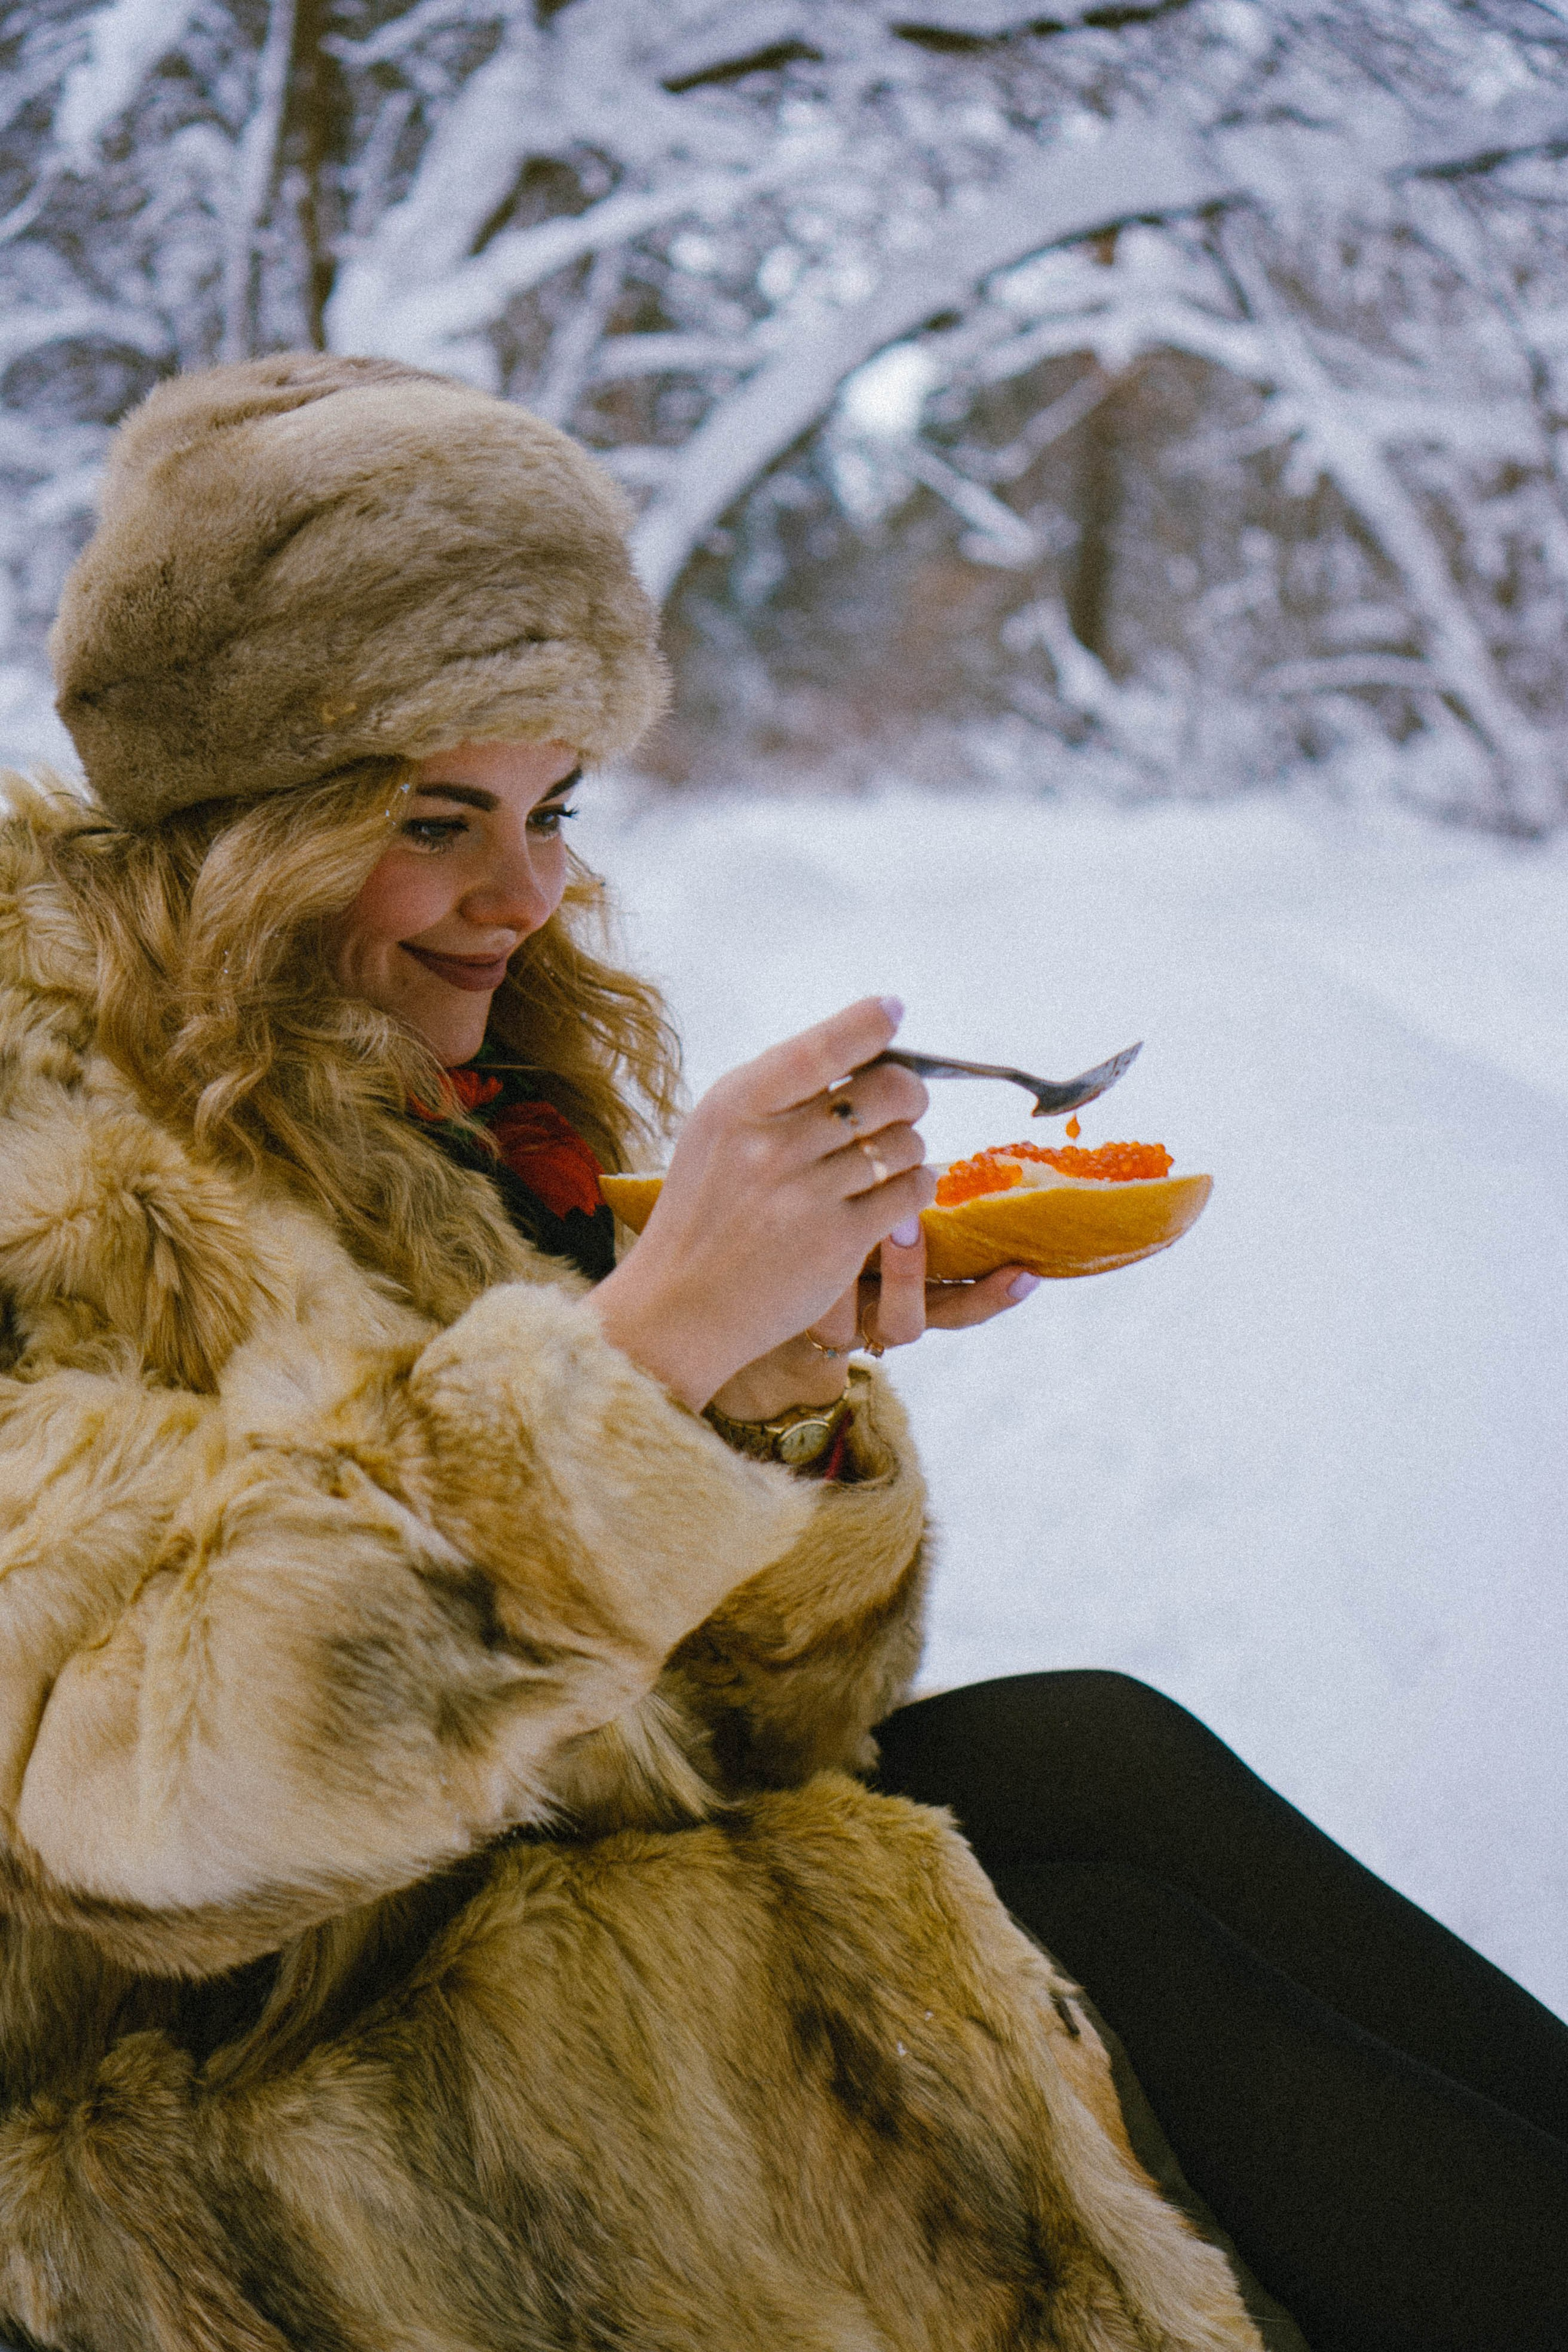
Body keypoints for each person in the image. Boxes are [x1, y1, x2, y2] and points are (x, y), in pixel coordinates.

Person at [0, 354, 1558, 2352]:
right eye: (435, 818)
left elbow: (732, 1732)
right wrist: (638, 1366)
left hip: (481, 1908)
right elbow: (119, 1808)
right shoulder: (54, 1153)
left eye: (553, 807)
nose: (527, 893)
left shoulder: (440, 1100)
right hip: (229, 2092)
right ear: (241, 816)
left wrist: (756, 1405)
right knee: (1037, 1989)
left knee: (1090, 1758)